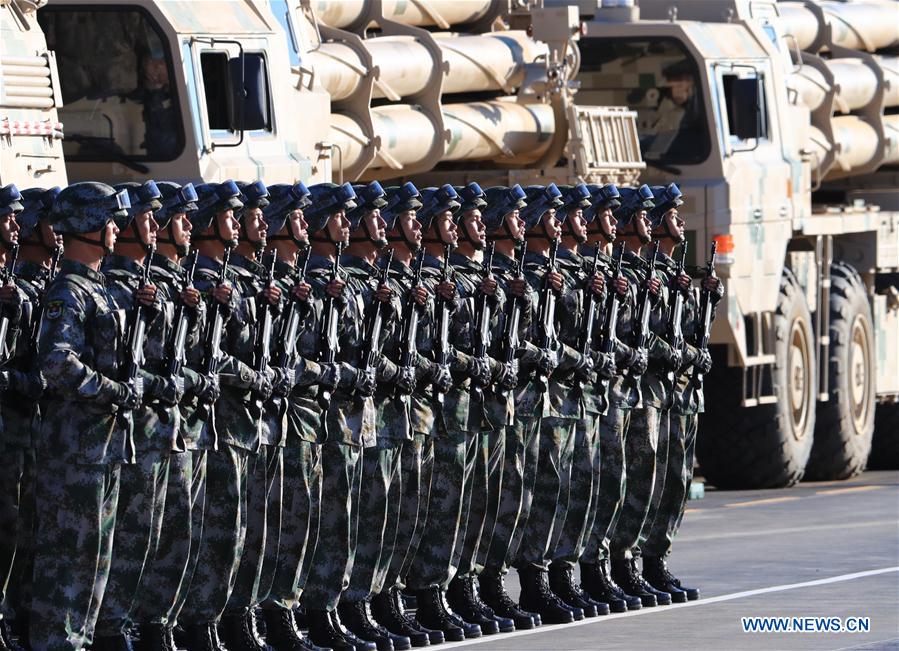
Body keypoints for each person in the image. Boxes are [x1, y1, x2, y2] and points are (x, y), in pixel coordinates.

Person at [29, 182, 138, 649]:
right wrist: (111, 390)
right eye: (108, 220)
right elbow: (56, 362)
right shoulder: (68, 292)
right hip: (76, 447)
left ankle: (81, 641)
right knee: (69, 561)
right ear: (88, 225)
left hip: (102, 443)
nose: (116, 229)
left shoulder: (101, 288)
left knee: (96, 559)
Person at [128, 181, 212, 649]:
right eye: (177, 220)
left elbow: (198, 356)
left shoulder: (181, 285)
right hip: (136, 433)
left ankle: (165, 625)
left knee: (180, 534)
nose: (185, 228)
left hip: (175, 429)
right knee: (138, 541)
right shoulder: (135, 287)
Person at [300, 182, 378, 651]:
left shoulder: (343, 282)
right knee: (324, 519)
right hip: (321, 419)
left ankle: (344, 604)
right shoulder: (308, 285)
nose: (347, 225)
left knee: (352, 516)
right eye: (339, 217)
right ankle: (318, 609)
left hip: (351, 416)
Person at [93, 180, 171, 650]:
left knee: (157, 536)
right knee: (103, 545)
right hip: (111, 433)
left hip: (148, 429)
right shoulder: (104, 290)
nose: (159, 228)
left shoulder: (149, 288)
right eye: (149, 220)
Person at [337, 181, 414, 651]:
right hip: (344, 419)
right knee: (347, 519)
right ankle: (346, 606)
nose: (381, 225)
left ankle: (379, 600)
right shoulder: (341, 285)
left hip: (377, 416)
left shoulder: (380, 282)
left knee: (388, 514)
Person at [639, 184, 721, 603]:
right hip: (652, 393)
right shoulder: (643, 281)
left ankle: (656, 561)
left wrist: (708, 301)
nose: (681, 223)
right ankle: (627, 566)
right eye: (672, 216)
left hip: (683, 393)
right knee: (644, 482)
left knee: (676, 480)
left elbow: (691, 333)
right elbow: (642, 339)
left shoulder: (680, 278)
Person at [578, 185, 653, 612]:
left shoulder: (619, 275)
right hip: (581, 398)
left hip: (617, 393)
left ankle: (622, 566)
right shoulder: (577, 277)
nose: (617, 222)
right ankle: (583, 572)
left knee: (624, 482)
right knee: (584, 489)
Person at [1, 186, 61, 649]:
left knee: (25, 529)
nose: (14, 228)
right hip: (11, 427)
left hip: (26, 428)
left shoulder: (24, 286)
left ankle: (17, 613)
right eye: (8, 219)